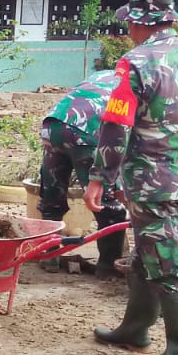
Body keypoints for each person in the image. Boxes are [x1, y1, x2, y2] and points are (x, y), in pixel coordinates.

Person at [84, 0, 178, 355]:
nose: (127, 32)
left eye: (129, 25)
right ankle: (135, 328)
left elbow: (116, 124)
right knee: (148, 254)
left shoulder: (135, 63)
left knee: (167, 263)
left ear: (138, 21)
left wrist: (99, 176)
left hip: (154, 180)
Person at [36, 68, 126, 277]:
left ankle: (49, 257)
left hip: (53, 125)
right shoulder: (133, 85)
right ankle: (108, 266)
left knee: (52, 194)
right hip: (86, 131)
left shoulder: (101, 76)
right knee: (107, 204)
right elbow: (123, 137)